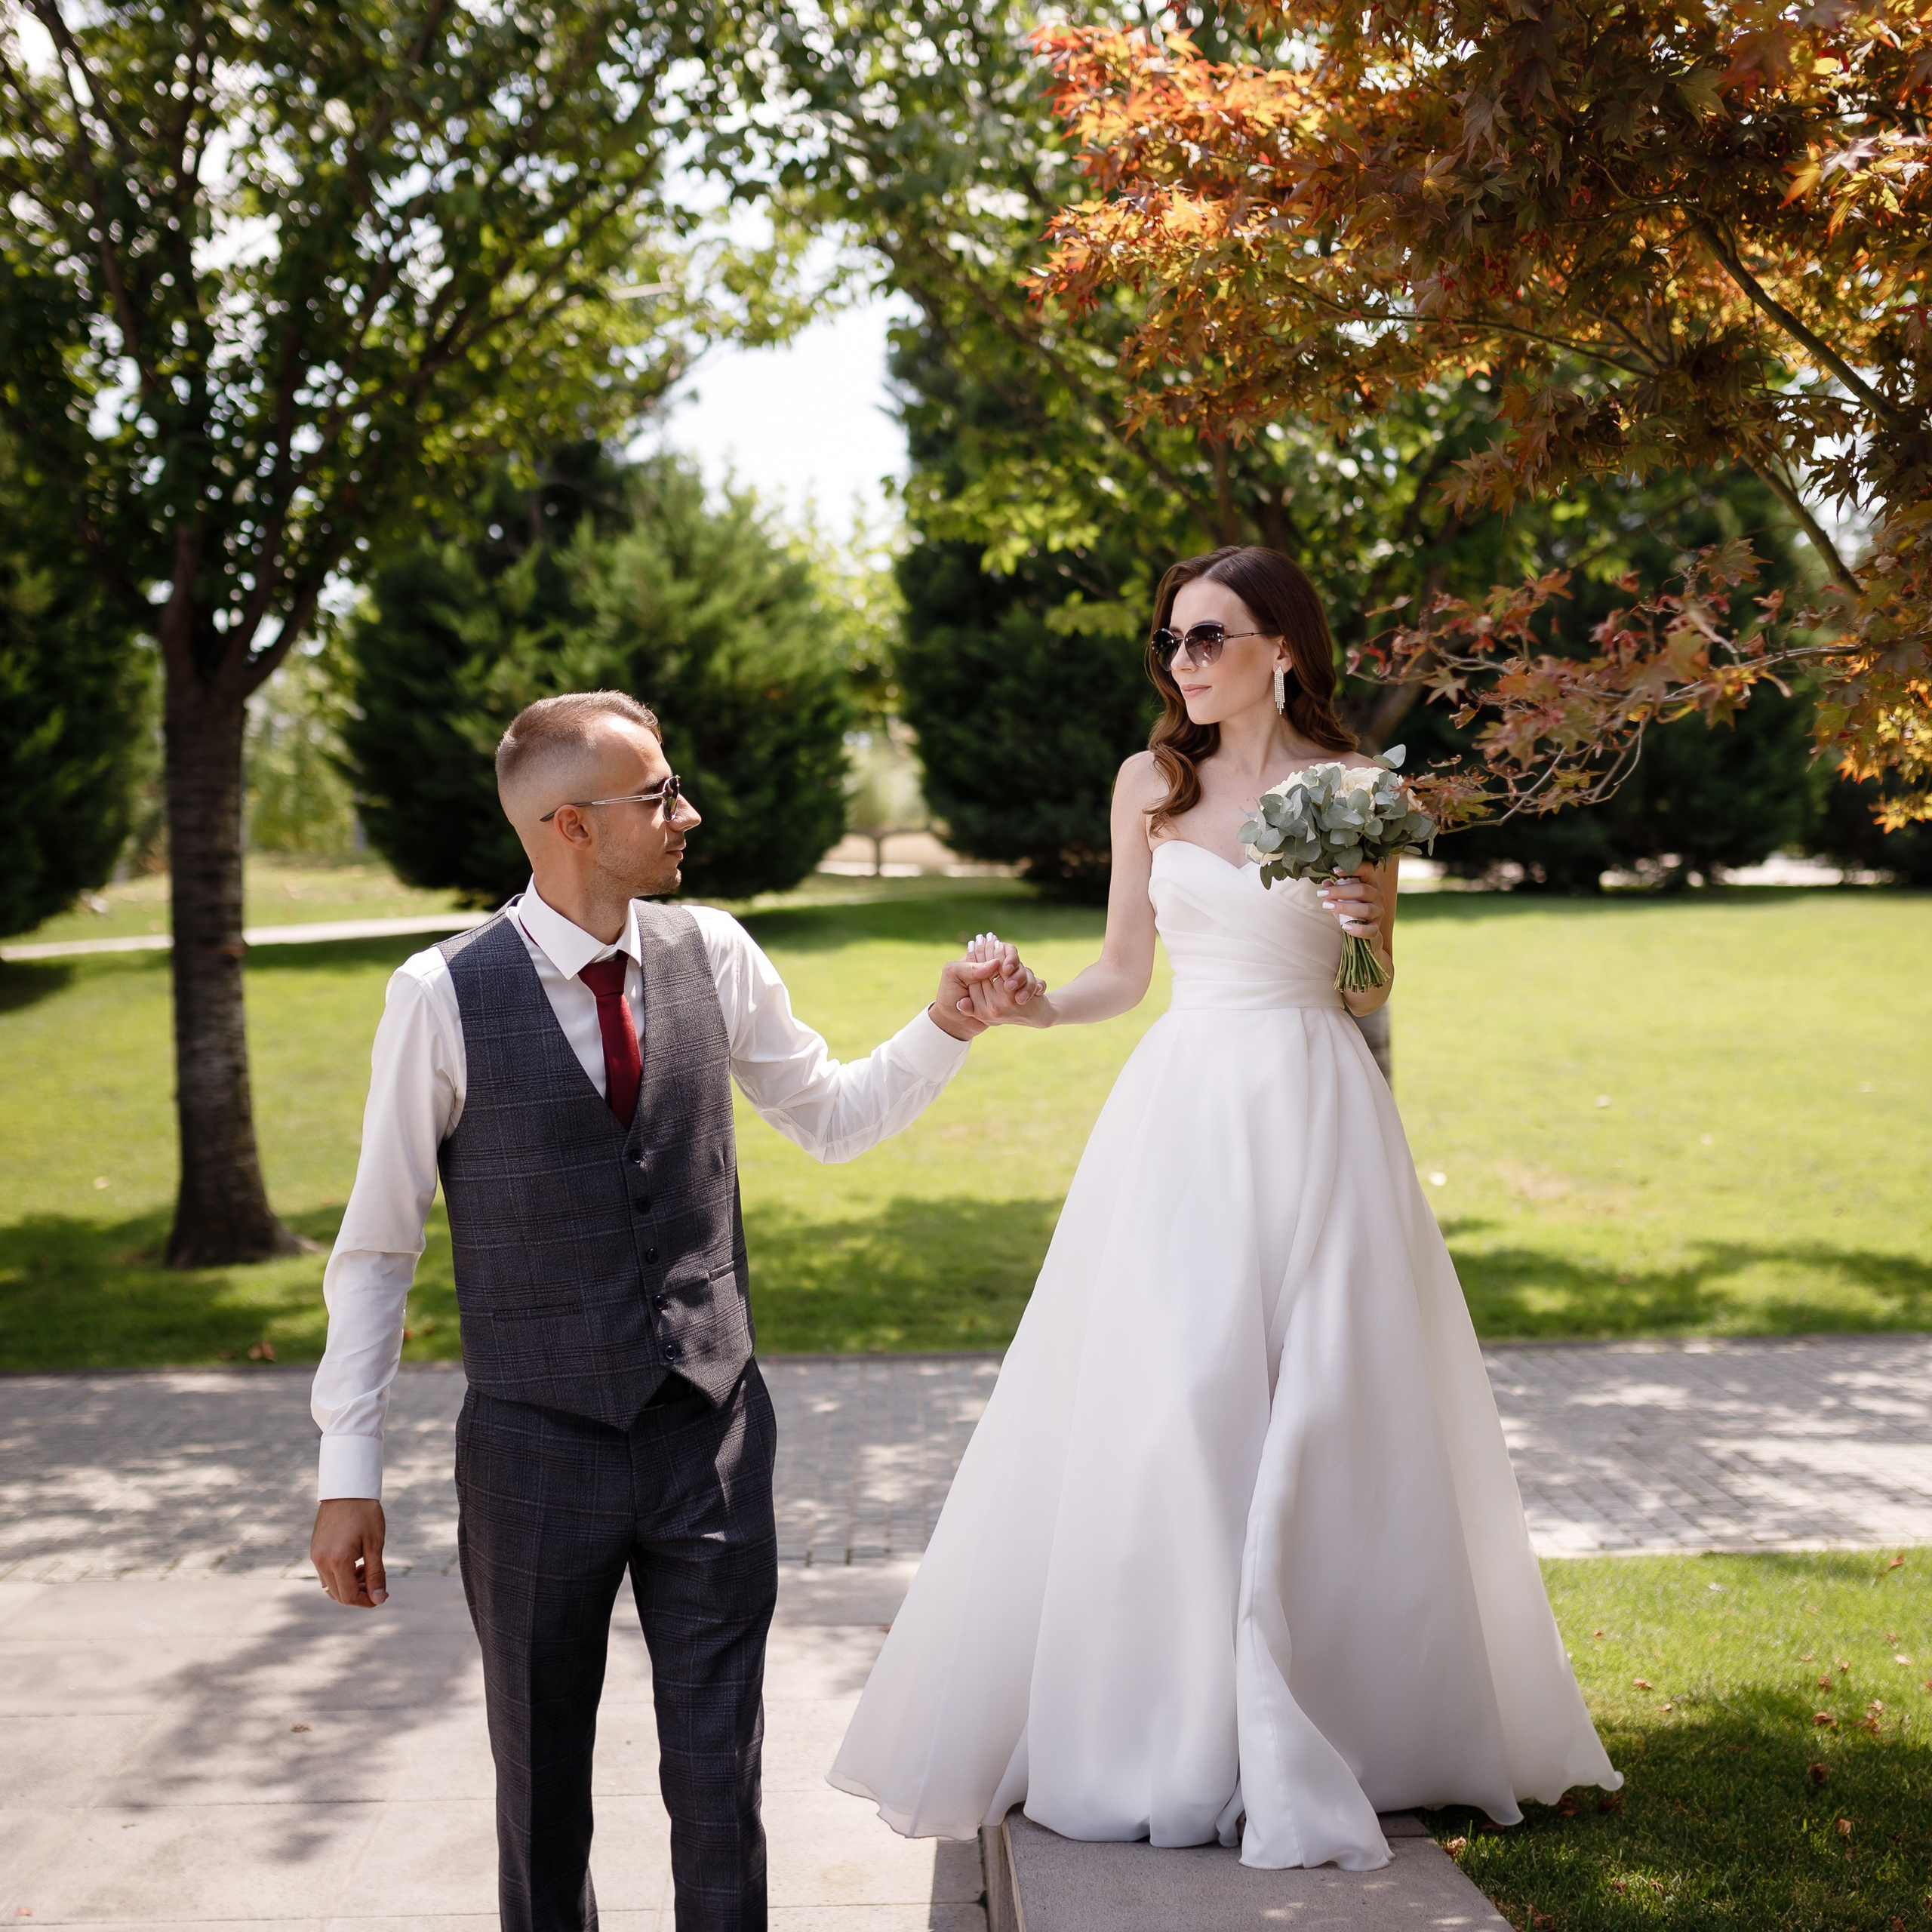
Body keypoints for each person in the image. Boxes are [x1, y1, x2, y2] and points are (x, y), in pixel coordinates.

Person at [830, 546, 1621, 1872]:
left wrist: (1368, 921)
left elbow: (1366, 993)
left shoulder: (1361, 789)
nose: (1184, 663)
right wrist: (1033, 1007)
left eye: (1208, 638)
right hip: (1185, 1115)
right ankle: (1172, 1715)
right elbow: (1122, 975)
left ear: (1283, 648)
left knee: (1331, 1406)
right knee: (1187, 1401)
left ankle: (1348, 1709)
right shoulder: (1152, 782)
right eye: (1173, 642)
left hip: (1318, 1107)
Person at [308, 689, 1041, 1932]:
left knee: (720, 1777)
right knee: (540, 1788)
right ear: (569, 827)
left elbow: (832, 1115)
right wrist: (348, 1467)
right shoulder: (437, 995)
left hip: (710, 1433)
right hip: (533, 1445)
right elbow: (379, 1245)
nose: (685, 812)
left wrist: (945, 1025)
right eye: (656, 795)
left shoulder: (718, 953)